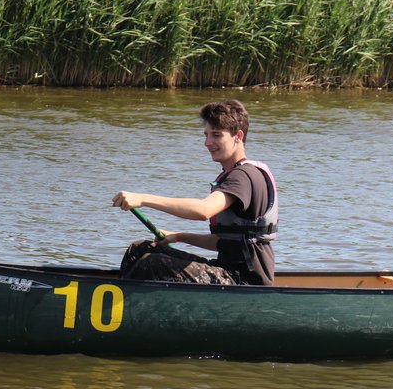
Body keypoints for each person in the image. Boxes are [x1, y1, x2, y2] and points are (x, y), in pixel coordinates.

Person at [112, 99, 277, 285]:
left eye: (216, 135)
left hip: (244, 281)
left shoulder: (242, 176)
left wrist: (142, 199)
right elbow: (222, 242)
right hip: (226, 272)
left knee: (152, 264)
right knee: (139, 250)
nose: (208, 142)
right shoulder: (233, 174)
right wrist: (180, 236)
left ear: (238, 136)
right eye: (206, 135)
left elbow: (203, 210)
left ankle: (127, 306)